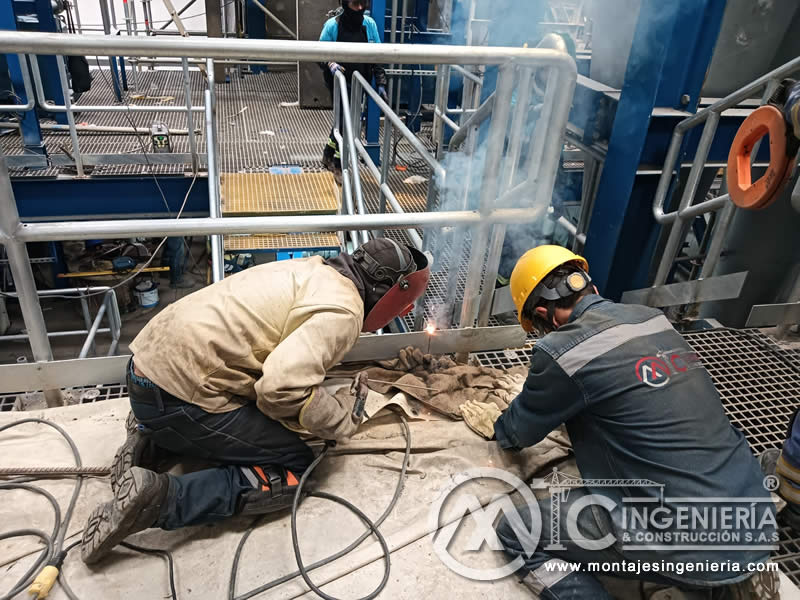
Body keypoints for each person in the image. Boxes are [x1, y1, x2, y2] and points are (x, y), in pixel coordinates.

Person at [80, 239, 430, 564]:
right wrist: (337, 417)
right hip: (177, 397)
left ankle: (152, 442)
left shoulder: (314, 269)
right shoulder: (344, 311)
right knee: (294, 466)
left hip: (145, 372)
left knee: (252, 414)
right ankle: (160, 499)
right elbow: (279, 389)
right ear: (390, 293)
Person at [464, 245, 778, 598]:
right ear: (591, 289)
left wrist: (499, 425)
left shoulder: (563, 350)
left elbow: (518, 432)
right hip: (753, 517)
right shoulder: (652, 319)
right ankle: (726, 581)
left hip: (684, 540)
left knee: (516, 531)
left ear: (543, 314)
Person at [319, 0, 388, 184]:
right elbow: (318, 53)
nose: (359, 8)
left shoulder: (369, 25)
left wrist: (381, 81)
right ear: (344, 4)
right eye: (354, 4)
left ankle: (328, 152)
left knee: (344, 121)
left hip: (359, 82)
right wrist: (330, 63)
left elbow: (377, 55)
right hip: (338, 81)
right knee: (346, 122)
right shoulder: (332, 25)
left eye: (362, 4)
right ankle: (338, 165)